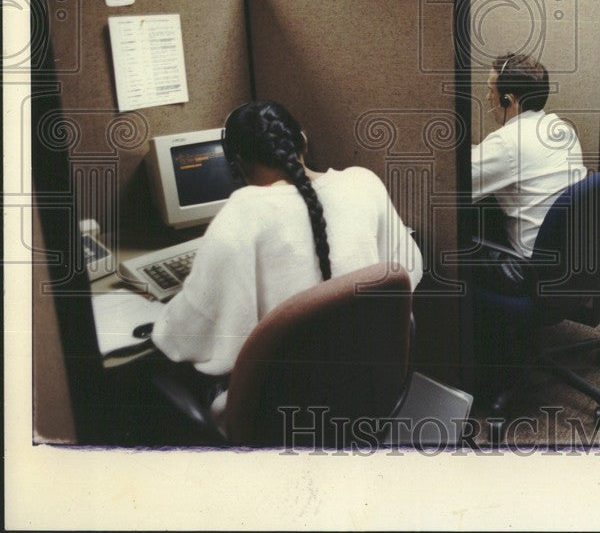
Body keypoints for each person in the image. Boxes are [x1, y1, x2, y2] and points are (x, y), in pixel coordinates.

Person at [152, 100, 423, 433]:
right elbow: (409, 268)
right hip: (364, 396)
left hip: (276, 419)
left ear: (237, 165)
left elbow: (181, 339)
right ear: (304, 142)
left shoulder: (242, 214)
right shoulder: (363, 183)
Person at [470, 53, 586, 294]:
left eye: (490, 90)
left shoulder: (506, 142)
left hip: (527, 271)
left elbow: (454, 186)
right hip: (571, 257)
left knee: (445, 247)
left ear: (507, 100)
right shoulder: (560, 128)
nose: (487, 97)